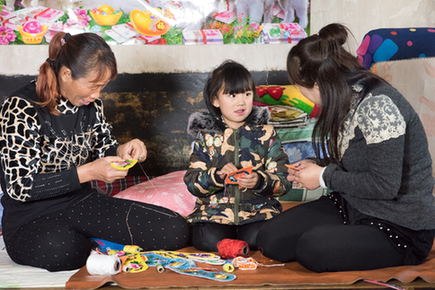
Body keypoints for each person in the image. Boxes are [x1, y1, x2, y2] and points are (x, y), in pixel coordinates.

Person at [0, 32, 189, 271]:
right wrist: (88, 172)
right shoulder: (21, 108)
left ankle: (96, 245)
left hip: (81, 203)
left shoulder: (91, 105)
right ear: (67, 74)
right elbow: (20, 187)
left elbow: (104, 148)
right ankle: (94, 245)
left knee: (174, 229)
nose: (97, 95)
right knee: (65, 250)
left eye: (102, 87)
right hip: (29, 217)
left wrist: (123, 151)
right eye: (93, 86)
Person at [256, 23, 435, 273]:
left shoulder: (378, 107)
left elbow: (385, 186)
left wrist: (321, 176)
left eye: (299, 85)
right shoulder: (344, 95)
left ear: (317, 84)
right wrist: (316, 166)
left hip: (399, 225)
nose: (299, 91)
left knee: (312, 248)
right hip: (354, 205)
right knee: (270, 240)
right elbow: (356, 160)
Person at [184, 60, 291, 252]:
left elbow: (284, 182)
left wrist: (259, 180)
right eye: (232, 95)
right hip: (214, 213)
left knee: (262, 235)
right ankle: (236, 247)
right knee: (205, 238)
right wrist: (217, 176)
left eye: (247, 94)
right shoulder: (206, 137)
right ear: (215, 100)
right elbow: (193, 183)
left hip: (258, 212)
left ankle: (235, 246)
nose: (241, 102)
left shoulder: (266, 134)